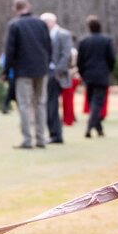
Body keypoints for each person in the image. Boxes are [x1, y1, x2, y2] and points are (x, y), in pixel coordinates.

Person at [4, 0, 52, 149]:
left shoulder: (15, 25)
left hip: (23, 71)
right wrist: (46, 63)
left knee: (24, 105)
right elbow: (48, 46)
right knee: (40, 104)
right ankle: (41, 138)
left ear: (15, 9)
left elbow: (10, 50)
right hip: (41, 69)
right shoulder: (41, 23)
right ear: (28, 6)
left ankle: (27, 139)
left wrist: (6, 71)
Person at [76, 14, 116, 138]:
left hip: (88, 76)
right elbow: (112, 58)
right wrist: (108, 70)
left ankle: (96, 128)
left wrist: (82, 73)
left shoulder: (84, 41)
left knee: (93, 102)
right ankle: (92, 127)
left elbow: (79, 61)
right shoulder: (106, 40)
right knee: (96, 103)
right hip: (101, 75)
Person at [41, 13, 73, 144]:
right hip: (46, 73)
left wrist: (57, 71)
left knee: (52, 104)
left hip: (58, 75)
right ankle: (54, 133)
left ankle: (56, 134)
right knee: (49, 104)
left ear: (51, 22)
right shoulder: (44, 35)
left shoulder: (63, 34)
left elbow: (66, 55)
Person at [60, 46, 79, 126]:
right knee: (68, 99)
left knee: (67, 99)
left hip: (69, 78)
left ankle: (68, 118)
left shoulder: (70, 51)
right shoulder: (73, 51)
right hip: (71, 77)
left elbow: (73, 65)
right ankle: (69, 116)